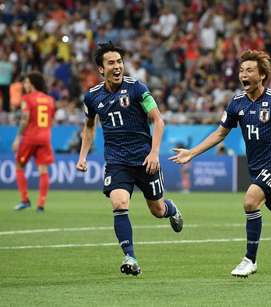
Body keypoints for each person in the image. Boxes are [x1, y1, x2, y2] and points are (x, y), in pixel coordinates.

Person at [170, 50, 271, 277]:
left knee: (250, 201)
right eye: (241, 70)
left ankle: (250, 260)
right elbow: (219, 134)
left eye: (249, 70)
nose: (243, 74)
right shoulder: (236, 103)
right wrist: (192, 153)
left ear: (262, 75)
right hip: (257, 168)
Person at [76, 42, 183, 276]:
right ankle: (130, 257)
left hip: (145, 160)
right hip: (117, 161)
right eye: (111, 63)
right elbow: (90, 126)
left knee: (157, 209)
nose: (117, 67)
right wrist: (83, 156)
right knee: (119, 203)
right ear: (101, 69)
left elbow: (158, 120)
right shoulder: (92, 97)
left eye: (119, 62)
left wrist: (154, 152)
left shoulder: (137, 89)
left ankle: (171, 209)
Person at [13, 71, 56, 212]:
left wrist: (18, 137)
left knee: (19, 166)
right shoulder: (50, 100)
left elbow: (25, 119)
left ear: (31, 84)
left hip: (30, 137)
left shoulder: (27, 98)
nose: (24, 85)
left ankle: (25, 200)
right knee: (43, 170)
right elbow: (51, 120)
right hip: (45, 138)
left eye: (26, 82)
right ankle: (41, 204)